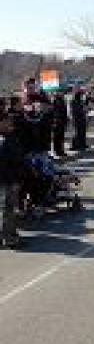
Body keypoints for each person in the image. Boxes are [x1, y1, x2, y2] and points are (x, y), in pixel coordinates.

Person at [0, 101, 25, 248]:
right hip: (6, 181)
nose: (11, 124)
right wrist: (14, 182)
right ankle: (9, 238)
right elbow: (7, 165)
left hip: (6, 180)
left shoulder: (8, 138)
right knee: (7, 211)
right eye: (7, 122)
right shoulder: (4, 141)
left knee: (6, 210)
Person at [51, 91, 69, 157]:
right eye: (60, 92)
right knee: (57, 138)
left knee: (61, 137)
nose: (62, 94)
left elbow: (64, 111)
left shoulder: (62, 101)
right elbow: (55, 112)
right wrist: (56, 121)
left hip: (62, 121)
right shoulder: (56, 101)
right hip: (58, 122)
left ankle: (61, 150)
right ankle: (57, 151)